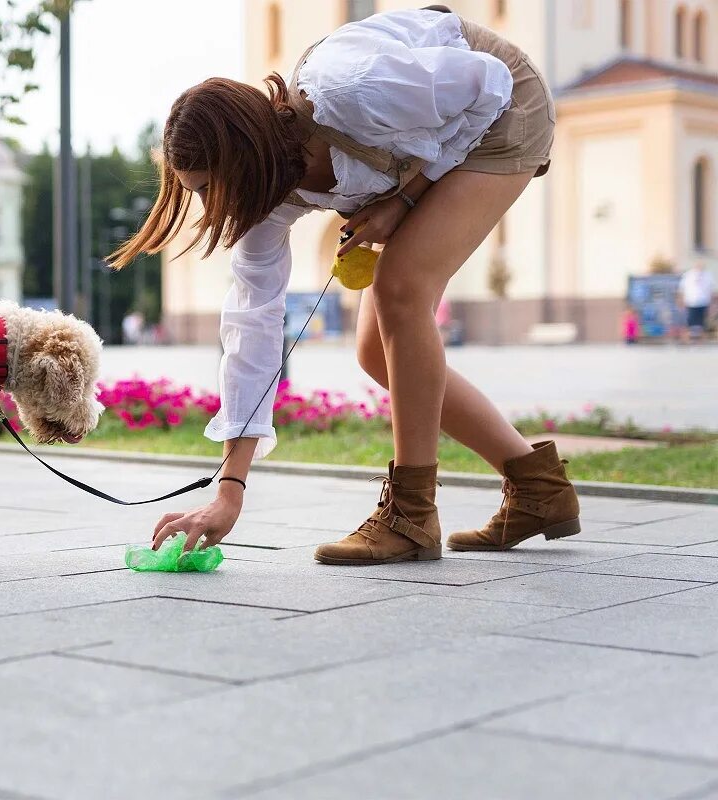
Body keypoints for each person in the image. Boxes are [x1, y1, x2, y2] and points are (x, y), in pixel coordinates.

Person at [110, 6, 581, 565]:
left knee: (400, 288)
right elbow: (251, 330)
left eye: (211, 186)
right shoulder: (266, 198)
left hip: (501, 107)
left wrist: (405, 197)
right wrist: (228, 493)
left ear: (246, 156)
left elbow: (489, 85)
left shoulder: (352, 88)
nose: (212, 205)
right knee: (373, 350)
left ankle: (411, 515)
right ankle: (537, 488)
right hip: (430, 141)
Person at [679, 262, 714, 343]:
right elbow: (682, 289)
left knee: (703, 322)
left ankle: (702, 340)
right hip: (691, 301)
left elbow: (712, 290)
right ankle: (686, 339)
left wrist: (712, 304)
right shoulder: (688, 275)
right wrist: (681, 301)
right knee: (689, 322)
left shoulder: (707, 275)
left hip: (704, 302)